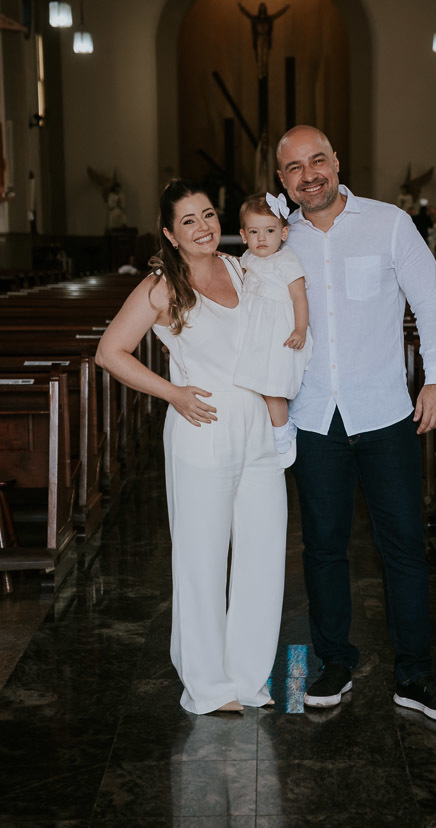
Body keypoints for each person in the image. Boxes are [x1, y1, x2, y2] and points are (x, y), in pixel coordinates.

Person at [276, 125, 436, 722]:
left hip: (386, 413)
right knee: (324, 549)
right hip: (314, 417)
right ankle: (335, 661)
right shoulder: (277, 243)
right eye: (294, 168)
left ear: (337, 161)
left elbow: (431, 301)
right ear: (281, 180)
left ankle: (414, 676)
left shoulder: (389, 222)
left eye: (317, 160)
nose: (309, 174)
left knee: (405, 550)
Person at [96, 179, 287, 715]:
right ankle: (207, 686)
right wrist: (173, 393)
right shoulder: (162, 286)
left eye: (207, 214)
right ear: (169, 233)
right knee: (202, 558)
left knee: (264, 552)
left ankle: (250, 678)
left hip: (258, 421)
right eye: (189, 221)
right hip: (202, 422)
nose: (203, 226)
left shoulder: (244, 266)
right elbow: (111, 352)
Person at [234, 192, 312, 467]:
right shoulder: (247, 258)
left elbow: (299, 296)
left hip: (279, 332)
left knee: (272, 386)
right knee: (251, 383)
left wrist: (300, 329)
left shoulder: (286, 260)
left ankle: (283, 430)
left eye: (269, 230)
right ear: (244, 235)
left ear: (284, 232)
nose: (262, 238)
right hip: (255, 329)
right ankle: (261, 431)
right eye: (254, 232)